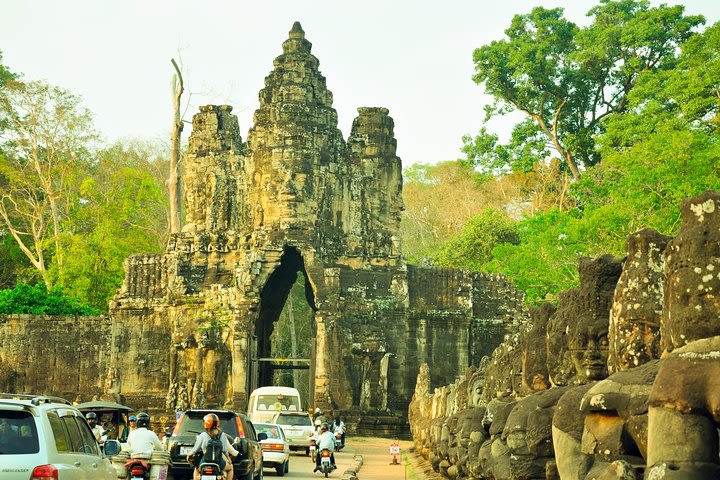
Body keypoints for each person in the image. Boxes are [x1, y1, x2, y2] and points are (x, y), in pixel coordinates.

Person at [187, 413, 238, 480]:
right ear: (217, 423)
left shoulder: (203, 435)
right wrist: (228, 459)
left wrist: (188, 455)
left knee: (196, 469)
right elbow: (225, 450)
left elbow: (195, 450)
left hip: (205, 461)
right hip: (219, 462)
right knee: (230, 468)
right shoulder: (222, 435)